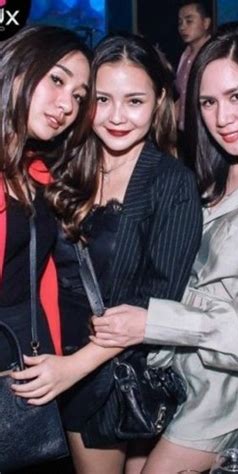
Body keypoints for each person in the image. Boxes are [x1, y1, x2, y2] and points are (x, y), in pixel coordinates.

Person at [90, 29, 238, 472]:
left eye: (237, 96)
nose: (222, 117)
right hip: (166, 370)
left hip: (228, 392)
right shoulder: (208, 174)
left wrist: (151, 321)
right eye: (208, 102)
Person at [11, 34, 202, 474]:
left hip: (114, 371)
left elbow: (155, 304)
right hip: (52, 355)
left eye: (134, 101)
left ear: (159, 102)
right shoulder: (60, 161)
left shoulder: (171, 183)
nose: (116, 117)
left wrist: (74, 368)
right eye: (101, 100)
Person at [0, 25, 91, 371]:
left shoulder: (36, 171)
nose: (67, 105)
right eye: (57, 80)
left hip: (32, 352)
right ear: (18, 68)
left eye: (79, 96)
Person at [176, 0, 212, 132]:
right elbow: (183, 95)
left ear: (206, 23)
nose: (182, 27)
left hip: (205, 132)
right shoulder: (185, 55)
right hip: (185, 131)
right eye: (180, 22)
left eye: (189, 21)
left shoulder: (214, 54)